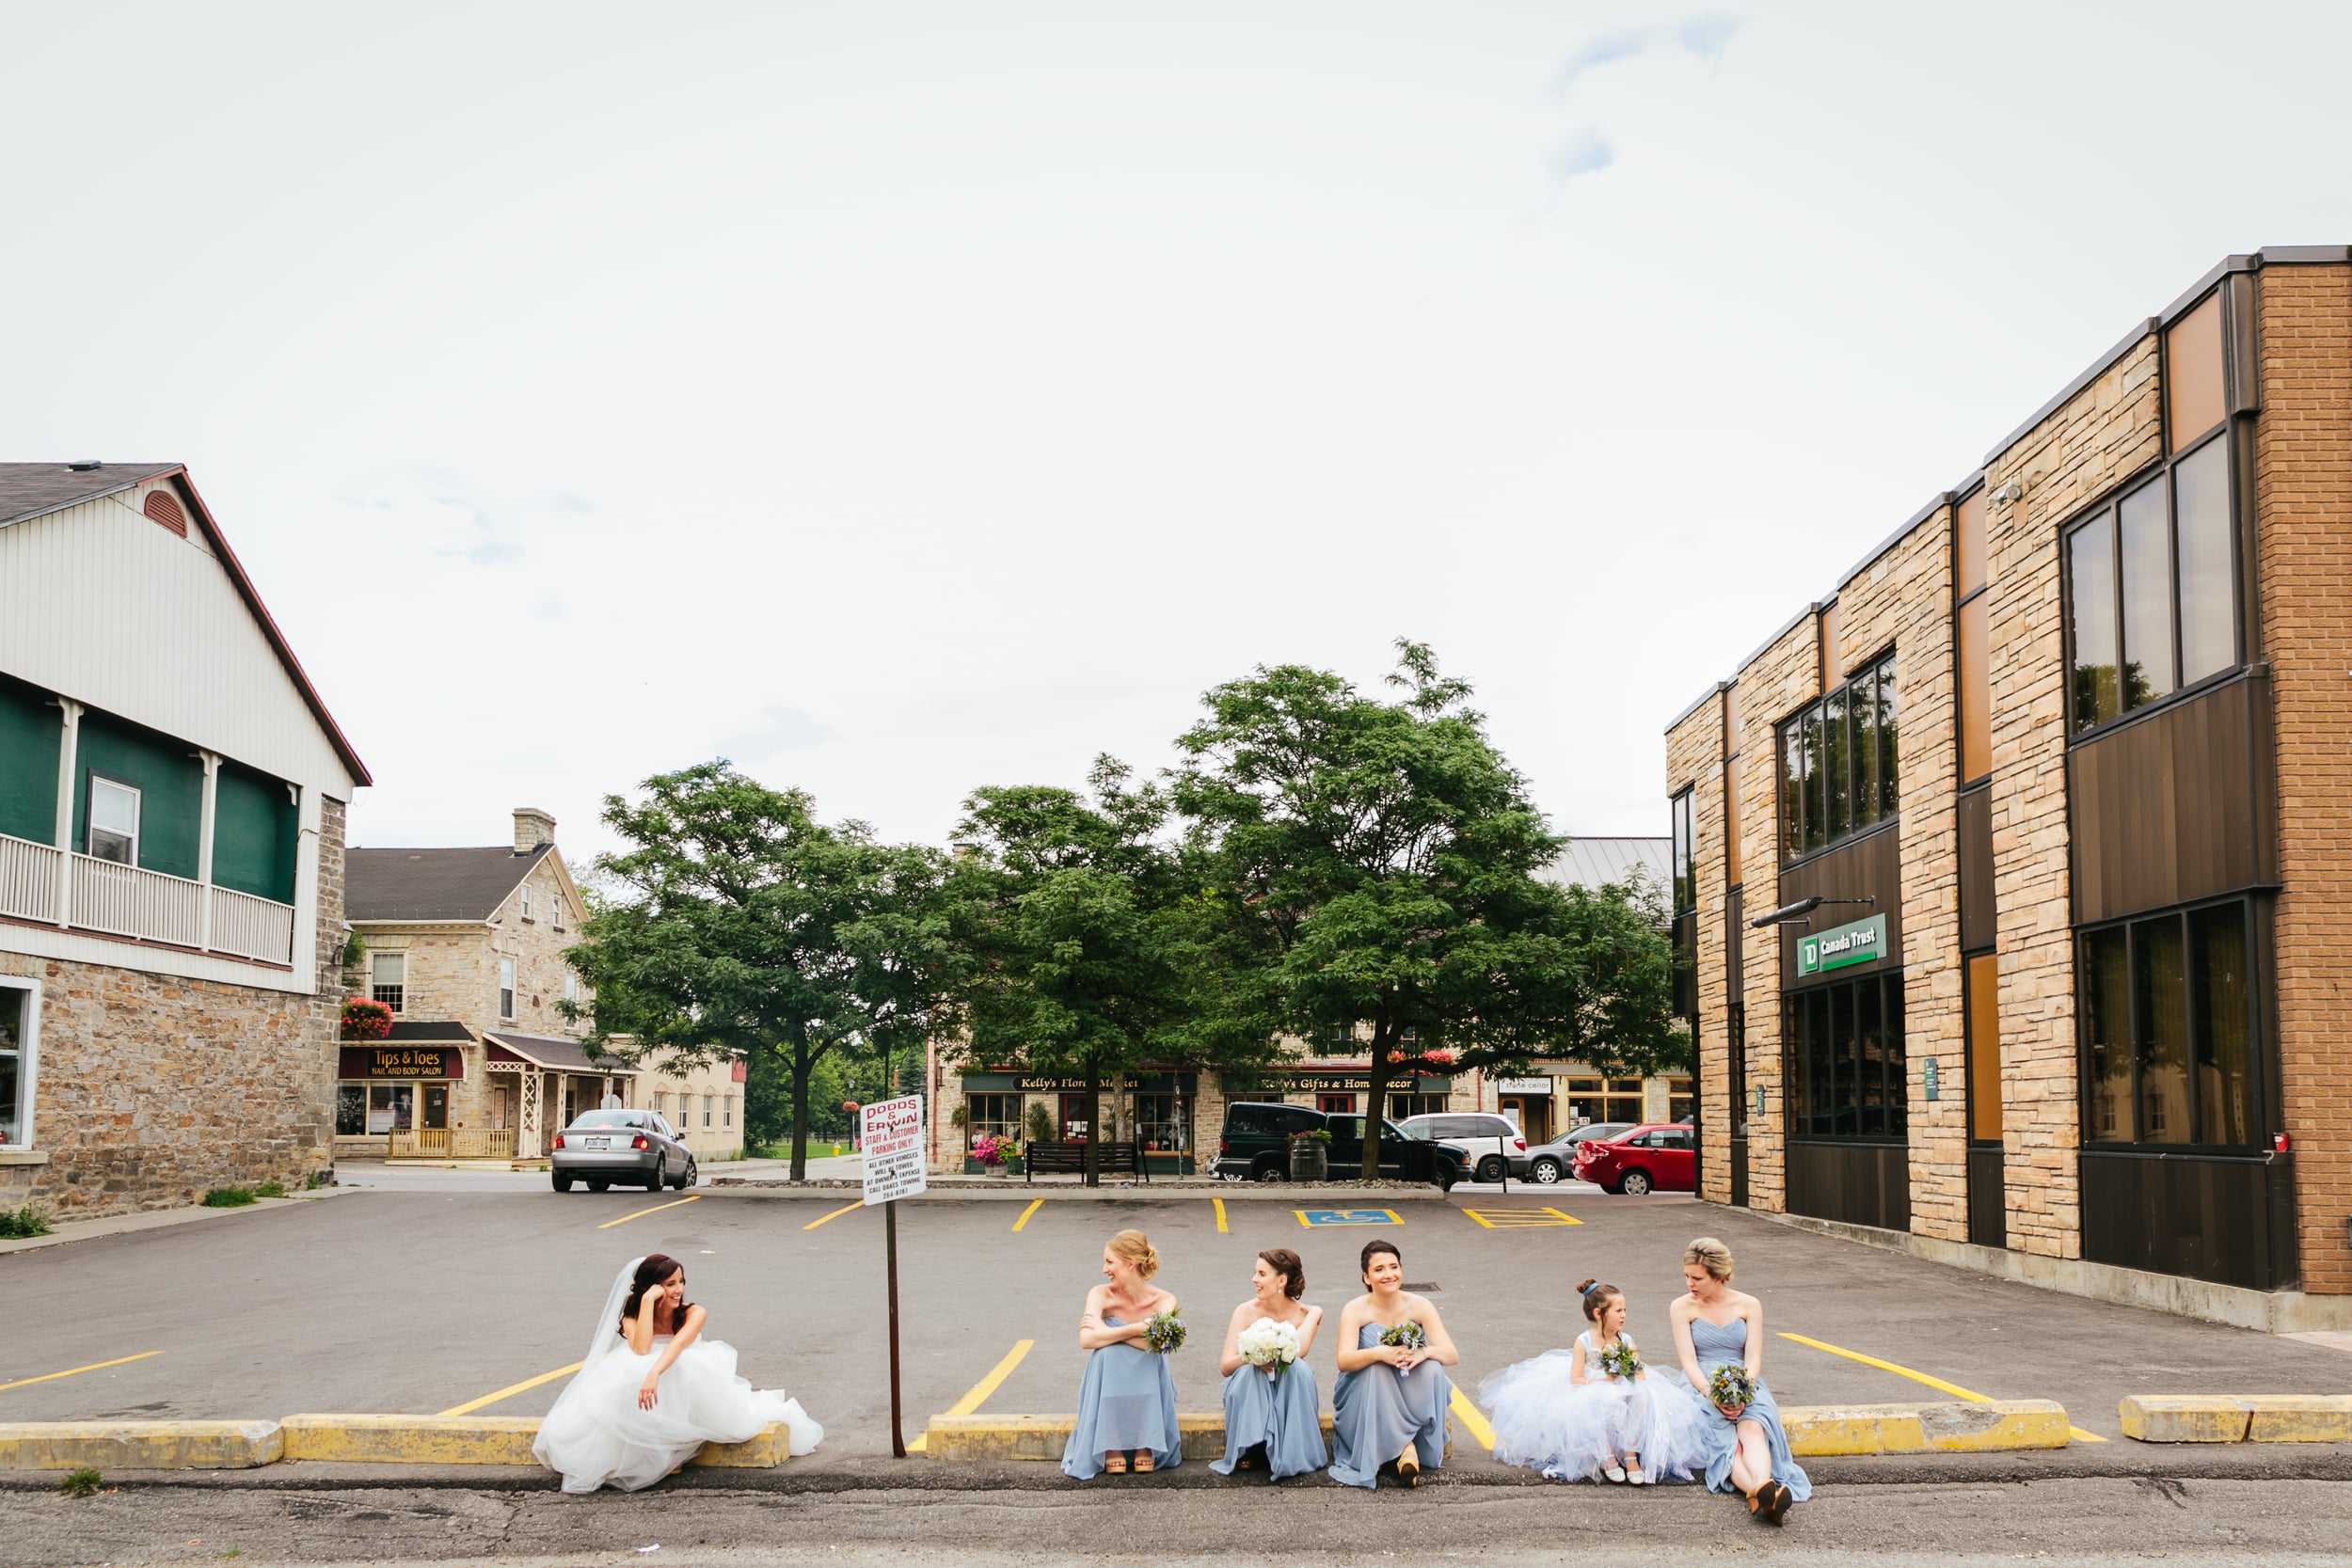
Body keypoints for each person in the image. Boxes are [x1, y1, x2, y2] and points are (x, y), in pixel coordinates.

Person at [532, 1254, 822, 1493]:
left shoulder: (694, 1312)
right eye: (670, 1284)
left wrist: (654, 1373)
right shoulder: (634, 1314)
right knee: (630, 1368)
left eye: (681, 1282)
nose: (679, 1289)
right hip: (648, 1362)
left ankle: (672, 1449)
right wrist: (646, 1303)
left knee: (679, 1367)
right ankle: (649, 1450)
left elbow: (679, 1344)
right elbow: (642, 1348)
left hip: (685, 1366)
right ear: (652, 1287)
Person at [1482, 1277, 1701, 1485]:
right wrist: (1604, 1382)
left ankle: (1631, 1452)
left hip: (1621, 1384)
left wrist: (1630, 1378)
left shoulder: (1625, 1340)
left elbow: (1638, 1371)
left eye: (1625, 1310)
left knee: (1642, 1395)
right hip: (1593, 1386)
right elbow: (1576, 1378)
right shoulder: (1584, 1341)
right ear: (1599, 1313)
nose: (1624, 1315)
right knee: (1602, 1397)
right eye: (1618, 1311)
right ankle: (1606, 1455)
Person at [1668, 1236, 1810, 1525]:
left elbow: (1753, 1359)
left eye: (1697, 1278)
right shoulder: (1681, 1307)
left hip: (1745, 1381)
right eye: (1686, 1276)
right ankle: (1761, 1491)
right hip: (1702, 1384)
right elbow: (1689, 1362)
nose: (1689, 1284)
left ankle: (1761, 1488)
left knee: (1753, 1428)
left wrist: (1742, 1393)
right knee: (1728, 1444)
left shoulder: (1749, 1305)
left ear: (1719, 1277)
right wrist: (1714, 1395)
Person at [1328, 1239, 1459, 1488]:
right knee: (1377, 1370)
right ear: (1366, 1278)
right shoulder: (1355, 1309)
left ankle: (1404, 1447)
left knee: (1432, 1367)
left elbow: (1451, 1354)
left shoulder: (1420, 1305)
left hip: (1407, 1386)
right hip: (1366, 1388)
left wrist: (1423, 1352)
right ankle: (1404, 1448)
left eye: (1394, 1267)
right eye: (1379, 1269)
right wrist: (1379, 1353)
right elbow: (1343, 1360)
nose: (1389, 1274)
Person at [1062, 1228, 1183, 1479]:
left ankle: (1145, 1443)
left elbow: (1156, 1346)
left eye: (1109, 1262)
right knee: (1109, 1355)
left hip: (1147, 1370)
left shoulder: (1165, 1300)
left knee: (1136, 1355)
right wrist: (1138, 1328)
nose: (1104, 1270)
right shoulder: (1100, 1294)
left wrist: (1108, 1332)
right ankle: (1111, 1443)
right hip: (1111, 1372)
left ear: (1130, 1264)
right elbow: (1086, 1340)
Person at [1212, 1247, 1327, 1480]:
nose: (1254, 1279)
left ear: (1281, 1280)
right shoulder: (1244, 1311)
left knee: (1298, 1369)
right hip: (1251, 1384)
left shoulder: (1304, 1314)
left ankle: (1289, 1448)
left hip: (1286, 1386)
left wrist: (1316, 1314)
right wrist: (1252, 1358)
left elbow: (1299, 1351)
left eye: (1262, 1274)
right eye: (1256, 1273)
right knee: (1249, 1373)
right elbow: (1225, 1367)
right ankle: (1250, 1445)